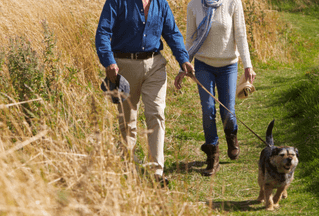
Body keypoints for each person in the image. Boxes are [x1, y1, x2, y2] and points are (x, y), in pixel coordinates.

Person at [95, 0, 195, 184]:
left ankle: (157, 171)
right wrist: (108, 61)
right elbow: (103, 31)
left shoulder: (161, 4)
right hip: (123, 66)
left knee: (156, 113)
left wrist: (183, 59)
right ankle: (129, 167)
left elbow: (172, 33)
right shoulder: (117, 2)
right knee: (128, 120)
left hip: (155, 65)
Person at [174, 0, 255, 176]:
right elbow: (190, 39)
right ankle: (213, 157)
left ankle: (231, 135)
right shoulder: (193, 5)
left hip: (228, 65)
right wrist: (183, 68)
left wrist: (248, 65)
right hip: (203, 65)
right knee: (208, 109)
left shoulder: (233, 2)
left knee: (227, 111)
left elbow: (240, 35)